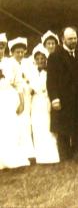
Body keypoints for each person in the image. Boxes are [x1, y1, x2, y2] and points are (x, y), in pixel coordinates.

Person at [46, 26, 78, 161]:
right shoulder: (55, 56)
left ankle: (76, 156)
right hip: (64, 100)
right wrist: (54, 99)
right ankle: (65, 159)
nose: (73, 41)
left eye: (75, 38)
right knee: (64, 130)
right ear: (62, 39)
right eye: (70, 39)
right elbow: (51, 81)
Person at [0, 33, 30, 169]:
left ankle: (11, 158)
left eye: (1, 47)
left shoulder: (10, 63)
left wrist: (22, 102)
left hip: (9, 98)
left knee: (10, 128)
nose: (0, 50)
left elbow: (18, 84)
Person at [28, 44, 60, 164]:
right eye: (38, 59)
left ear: (46, 59)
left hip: (46, 100)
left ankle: (51, 156)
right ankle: (40, 156)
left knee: (48, 127)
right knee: (37, 127)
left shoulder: (50, 72)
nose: (40, 61)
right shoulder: (32, 73)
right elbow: (30, 88)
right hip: (36, 102)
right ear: (34, 60)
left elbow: (51, 86)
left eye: (42, 58)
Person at [8, 37, 35, 160]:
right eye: (17, 52)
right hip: (15, 96)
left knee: (27, 123)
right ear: (12, 52)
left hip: (27, 95)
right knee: (18, 123)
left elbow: (30, 78)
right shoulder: (10, 64)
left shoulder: (27, 63)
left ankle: (29, 152)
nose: (20, 54)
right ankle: (20, 152)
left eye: (22, 52)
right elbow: (12, 82)